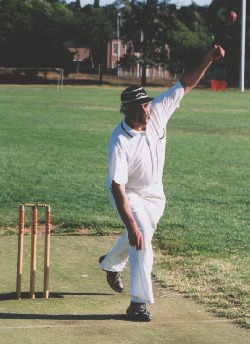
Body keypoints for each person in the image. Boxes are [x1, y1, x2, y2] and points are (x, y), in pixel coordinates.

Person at [99, 45, 225, 322]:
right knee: (140, 237)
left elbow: (186, 83)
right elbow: (116, 186)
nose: (147, 109)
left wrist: (208, 58)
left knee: (142, 235)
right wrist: (131, 224)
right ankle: (138, 303)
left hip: (155, 192)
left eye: (147, 103)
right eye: (142, 106)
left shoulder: (157, 112)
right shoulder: (119, 141)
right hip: (128, 192)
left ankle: (110, 263)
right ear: (129, 110)